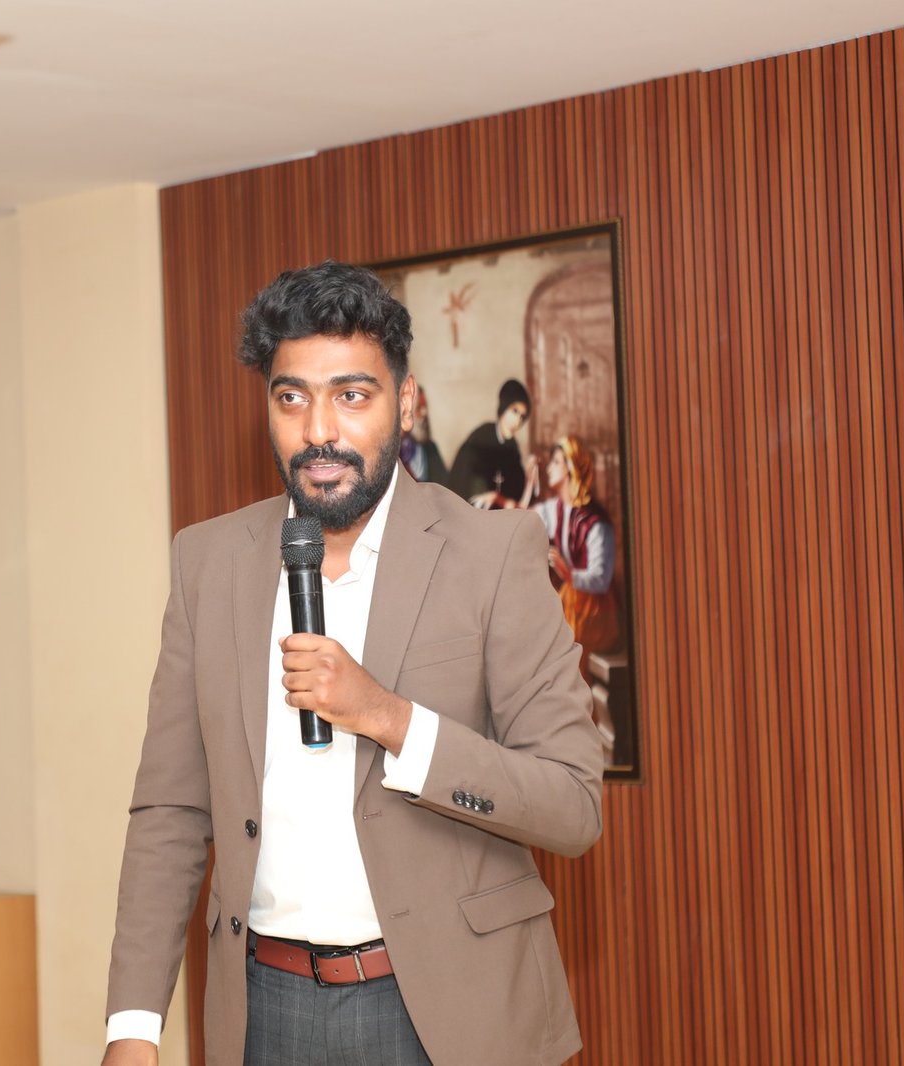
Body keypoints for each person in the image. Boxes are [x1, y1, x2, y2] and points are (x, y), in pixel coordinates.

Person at [102, 262, 604, 1066]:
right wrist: (133, 1024)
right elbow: (170, 810)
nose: (319, 431)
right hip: (262, 1011)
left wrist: (389, 718)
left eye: (352, 395)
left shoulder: (491, 553)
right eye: (292, 398)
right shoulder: (208, 562)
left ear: (405, 402)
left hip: (444, 1014)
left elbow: (572, 806)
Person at [533, 437, 622, 679]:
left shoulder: (596, 523)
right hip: (571, 600)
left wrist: (569, 574)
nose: (549, 468)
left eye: (556, 462)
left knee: (563, 639)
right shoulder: (557, 509)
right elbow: (523, 518)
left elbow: (600, 579)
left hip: (596, 609)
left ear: (571, 467)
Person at [446, 379, 531, 508]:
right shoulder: (481, 438)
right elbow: (463, 483)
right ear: (503, 408)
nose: (517, 421)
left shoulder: (513, 448)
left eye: (522, 416)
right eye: (514, 411)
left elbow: (516, 494)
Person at [398, 385, 448, 485]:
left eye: (425, 407)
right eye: (419, 408)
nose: (424, 413)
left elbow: (444, 486)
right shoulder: (394, 452)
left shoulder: (430, 449)